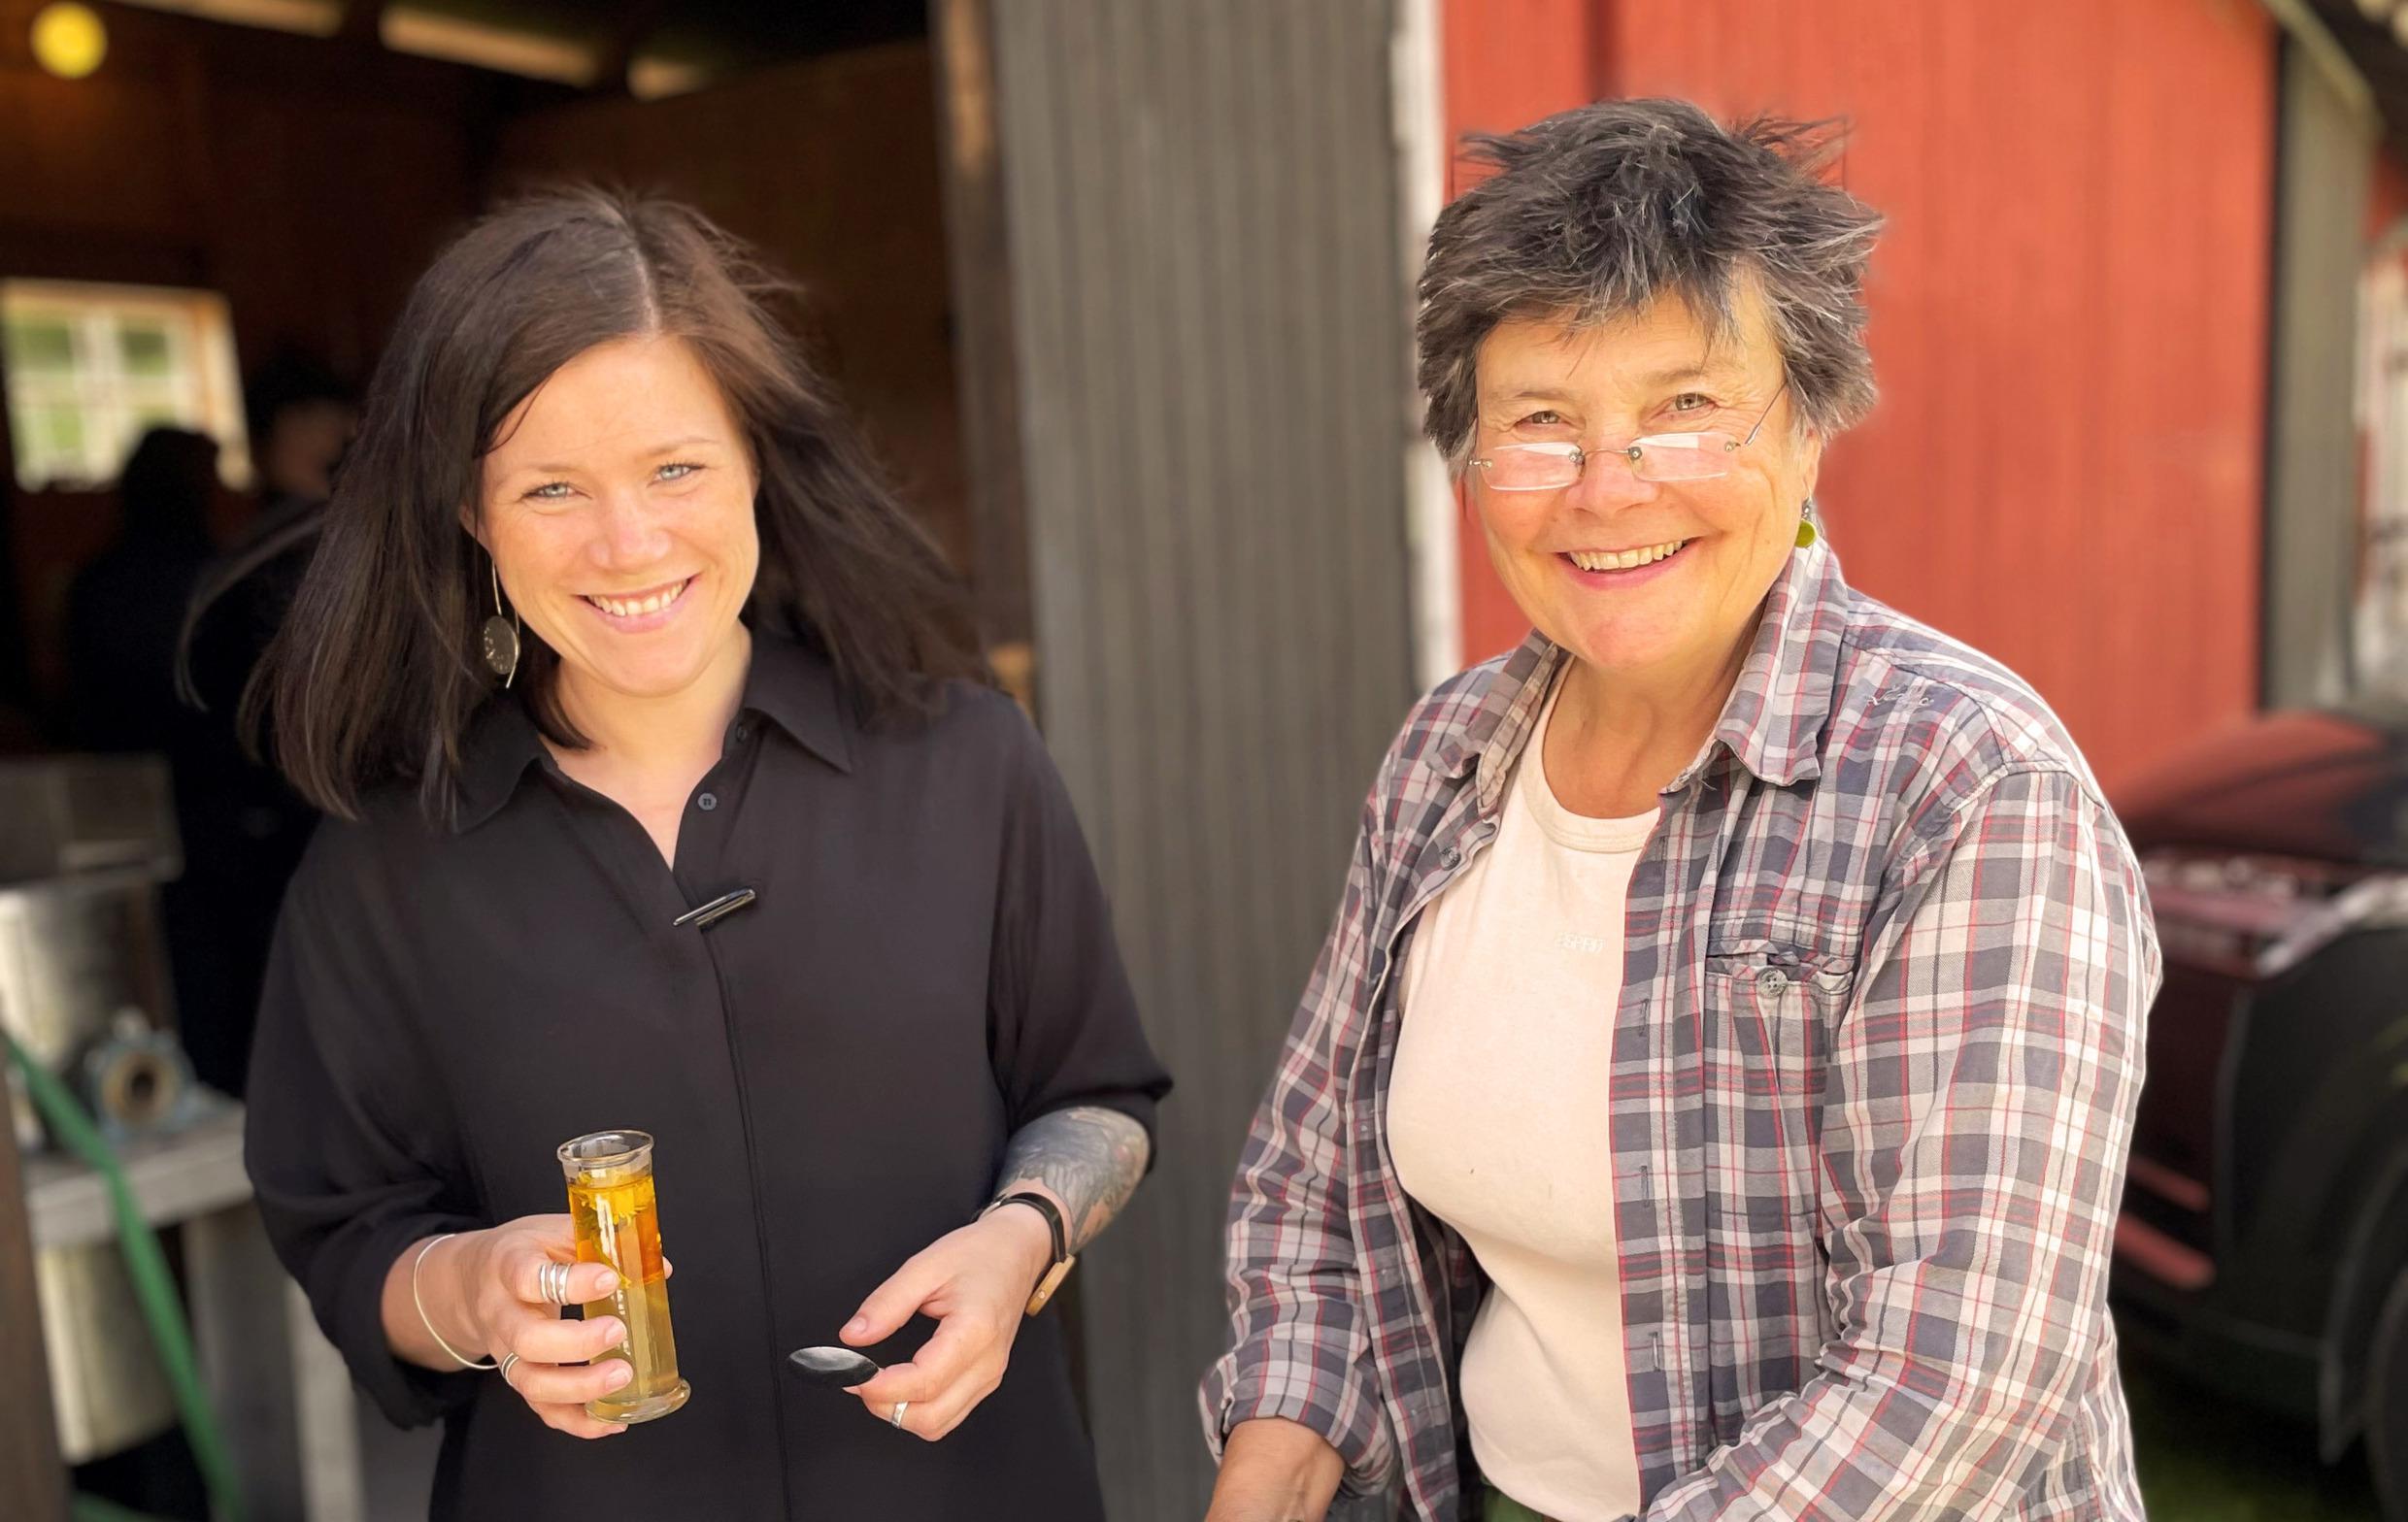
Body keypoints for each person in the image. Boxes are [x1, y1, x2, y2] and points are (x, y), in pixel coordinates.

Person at [1202, 101, 2158, 1522]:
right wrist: (1277, 1447)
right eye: (1540, 422)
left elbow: (1954, 1372)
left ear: (1814, 426)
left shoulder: (1967, 786)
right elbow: (1318, 1190)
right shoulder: (1445, 759)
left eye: (1684, 409)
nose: (1606, 490)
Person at [243, 187, 1169, 1521]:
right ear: (468, 514)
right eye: (551, 490)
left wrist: (1023, 1239)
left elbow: (1098, 1100)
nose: (628, 545)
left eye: (675, 468)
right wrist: (468, 1293)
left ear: (755, 463)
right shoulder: (383, 870)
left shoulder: (966, 763)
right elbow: (342, 1230)